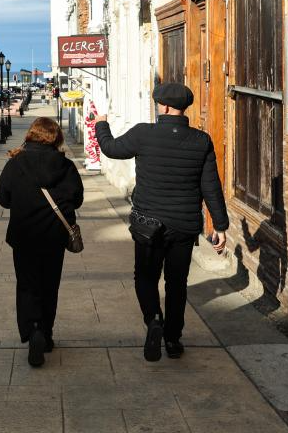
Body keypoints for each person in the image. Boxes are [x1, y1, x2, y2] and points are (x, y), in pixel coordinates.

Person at [94, 82, 228, 362]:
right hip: (184, 225)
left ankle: (154, 319)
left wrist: (101, 123)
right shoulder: (201, 140)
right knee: (177, 283)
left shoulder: (144, 133)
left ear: (164, 107)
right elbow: (211, 186)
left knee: (145, 277)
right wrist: (220, 226)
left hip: (148, 224)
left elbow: (110, 149)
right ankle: (173, 339)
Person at [0, 117, 84, 368]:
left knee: (27, 285)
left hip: (24, 236)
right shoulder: (65, 166)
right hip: (54, 236)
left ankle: (32, 329)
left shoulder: (16, 164)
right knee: (49, 285)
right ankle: (46, 333)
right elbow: (77, 199)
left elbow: (2, 198)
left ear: (31, 135)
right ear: (56, 138)